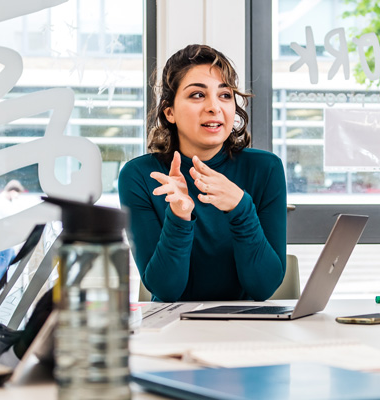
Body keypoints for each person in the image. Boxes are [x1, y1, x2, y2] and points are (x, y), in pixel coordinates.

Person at [119, 44, 287, 302]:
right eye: (197, 95)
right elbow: (165, 290)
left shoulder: (266, 169)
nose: (214, 107)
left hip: (247, 328)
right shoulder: (141, 176)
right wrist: (179, 215)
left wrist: (241, 207)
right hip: (173, 329)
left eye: (225, 95)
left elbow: (263, 287)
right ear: (170, 112)